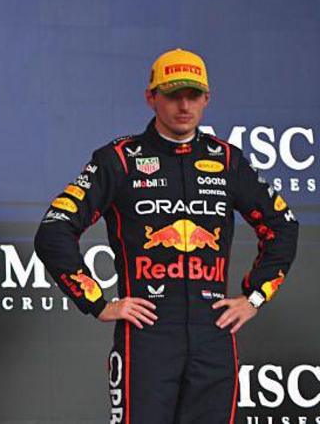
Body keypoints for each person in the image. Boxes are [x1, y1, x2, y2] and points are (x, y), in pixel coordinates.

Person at [35, 48, 298, 423]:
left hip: (214, 334)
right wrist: (97, 301)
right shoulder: (119, 159)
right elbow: (54, 229)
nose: (184, 106)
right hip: (147, 337)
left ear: (207, 99)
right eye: (174, 95)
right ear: (151, 97)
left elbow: (283, 225)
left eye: (193, 95)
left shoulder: (228, 160)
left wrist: (254, 297)